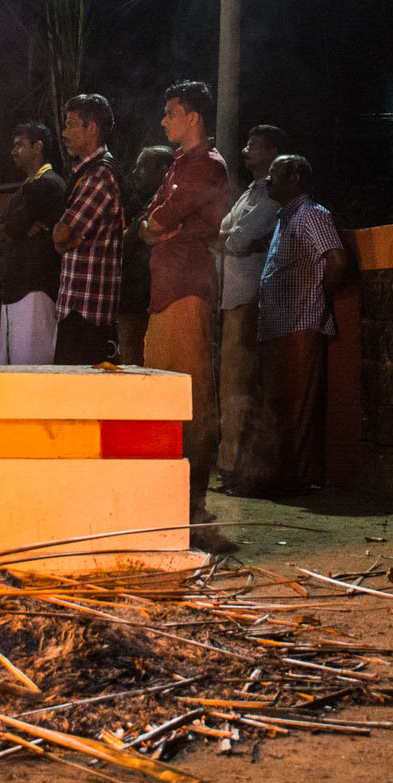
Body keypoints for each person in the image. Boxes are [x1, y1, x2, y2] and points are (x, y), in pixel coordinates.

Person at [140, 80, 232, 519]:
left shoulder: (206, 166)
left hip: (187, 288)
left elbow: (161, 220)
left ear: (193, 117)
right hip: (166, 290)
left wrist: (161, 228)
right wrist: (158, 228)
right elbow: (149, 223)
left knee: (190, 395)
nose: (163, 121)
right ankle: (167, 495)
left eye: (171, 112)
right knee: (161, 394)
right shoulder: (178, 165)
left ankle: (194, 500)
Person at [235, 155, 349, 496]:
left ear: (295, 177)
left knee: (297, 406)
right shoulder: (286, 219)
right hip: (278, 326)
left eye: (275, 174)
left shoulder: (312, 215)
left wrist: (313, 301)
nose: (268, 181)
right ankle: (277, 477)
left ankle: (296, 479)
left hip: (299, 324)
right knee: (278, 407)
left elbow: (337, 262)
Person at [214, 124, 287, 487]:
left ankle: (238, 468)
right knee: (232, 386)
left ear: (272, 153)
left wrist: (229, 239)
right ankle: (232, 466)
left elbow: (235, 239)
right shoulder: (250, 193)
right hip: (235, 296)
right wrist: (230, 239)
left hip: (249, 298)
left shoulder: (272, 196)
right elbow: (229, 234)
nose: (245, 150)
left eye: (254, 146)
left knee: (240, 387)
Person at [52, 93, 124, 364]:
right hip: (78, 305)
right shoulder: (86, 173)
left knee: (78, 398)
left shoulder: (100, 174)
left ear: (91, 128)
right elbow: (63, 238)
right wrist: (64, 239)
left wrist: (64, 239)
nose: (64, 133)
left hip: (87, 310)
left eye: (70, 124)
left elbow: (61, 234)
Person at [0, 125, 65, 365]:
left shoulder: (49, 184)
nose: (13, 151)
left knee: (31, 369)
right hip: (19, 288)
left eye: (19, 144)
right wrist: (16, 228)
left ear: (38, 148)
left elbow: (10, 227)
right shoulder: (26, 189)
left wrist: (14, 228)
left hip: (36, 289)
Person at [116, 145, 174, 365]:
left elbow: (123, 246)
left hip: (146, 304)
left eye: (142, 167)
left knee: (139, 367)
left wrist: (132, 233)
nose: (134, 172)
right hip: (136, 302)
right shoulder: (146, 205)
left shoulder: (165, 206)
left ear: (164, 170)